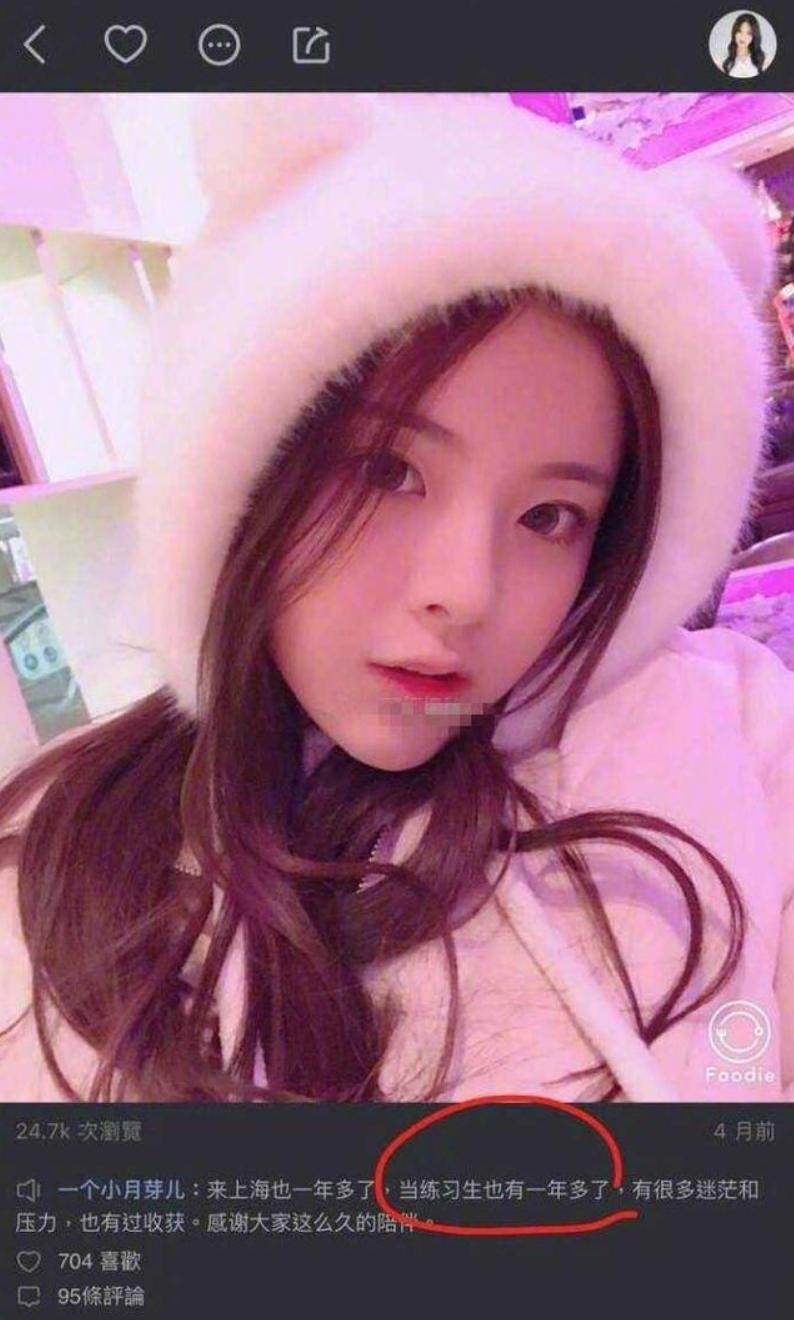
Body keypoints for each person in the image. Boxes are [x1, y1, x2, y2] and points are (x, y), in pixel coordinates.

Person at [0, 92, 791, 1104]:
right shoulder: (56, 854)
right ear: (247, 476)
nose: (464, 593)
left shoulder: (727, 730)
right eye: (385, 471)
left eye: (549, 516)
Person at [722, 13, 767, 77]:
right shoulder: (724, 59)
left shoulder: (762, 61)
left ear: (754, 36)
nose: (743, 37)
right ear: (734, 33)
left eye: (748, 33)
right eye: (740, 31)